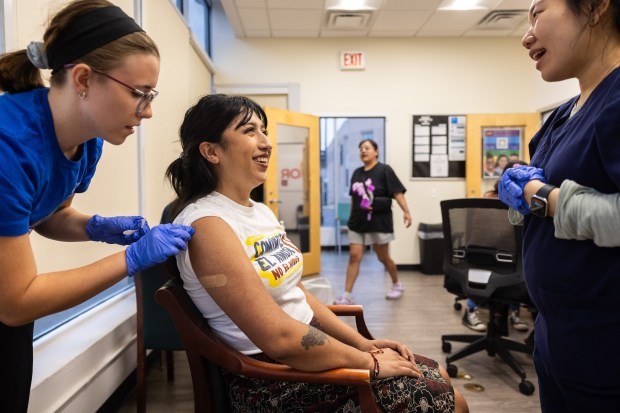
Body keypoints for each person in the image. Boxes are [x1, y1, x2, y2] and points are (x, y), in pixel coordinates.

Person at [165, 94, 469, 412]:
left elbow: (298, 296)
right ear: (211, 151)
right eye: (249, 131)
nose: (266, 142)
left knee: (440, 375)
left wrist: (363, 344)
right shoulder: (208, 225)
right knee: (454, 403)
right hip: (273, 379)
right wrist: (369, 363)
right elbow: (280, 339)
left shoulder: (259, 211)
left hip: (304, 351)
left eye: (264, 130)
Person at [0, 2, 195, 411]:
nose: (149, 110)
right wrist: (132, 259)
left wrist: (96, 226)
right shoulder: (8, 146)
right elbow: (16, 301)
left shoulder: (87, 140)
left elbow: (48, 215)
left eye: (151, 95)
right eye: (139, 94)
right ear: (84, 78)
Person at [498, 0, 620, 410]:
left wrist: (543, 199)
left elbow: (549, 200)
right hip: (555, 338)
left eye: (538, 13)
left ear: (595, 7)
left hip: (604, 351)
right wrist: (523, 196)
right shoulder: (563, 114)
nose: (526, 34)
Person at [333, 139, 412, 305]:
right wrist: (351, 217)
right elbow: (354, 199)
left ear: (376, 151)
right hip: (358, 222)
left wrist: (406, 212)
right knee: (354, 257)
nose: (363, 150)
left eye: (367, 148)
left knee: (383, 257)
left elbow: (397, 193)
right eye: (361, 148)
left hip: (379, 221)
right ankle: (347, 295)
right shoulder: (356, 173)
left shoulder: (384, 170)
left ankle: (397, 284)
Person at [462, 161, 531, 333]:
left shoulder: (486, 198)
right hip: (500, 261)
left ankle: (473, 309)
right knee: (519, 266)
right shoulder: (522, 205)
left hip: (480, 260)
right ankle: (514, 312)